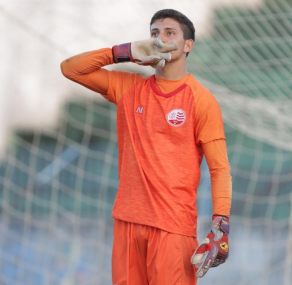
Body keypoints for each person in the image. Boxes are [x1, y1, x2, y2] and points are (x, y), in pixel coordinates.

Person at [61, 9, 232, 285]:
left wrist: (220, 224)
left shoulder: (202, 101)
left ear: (188, 45)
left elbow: (220, 169)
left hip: (173, 228)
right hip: (127, 221)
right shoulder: (129, 88)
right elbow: (70, 68)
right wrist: (123, 52)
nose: (159, 39)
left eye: (169, 33)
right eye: (154, 33)